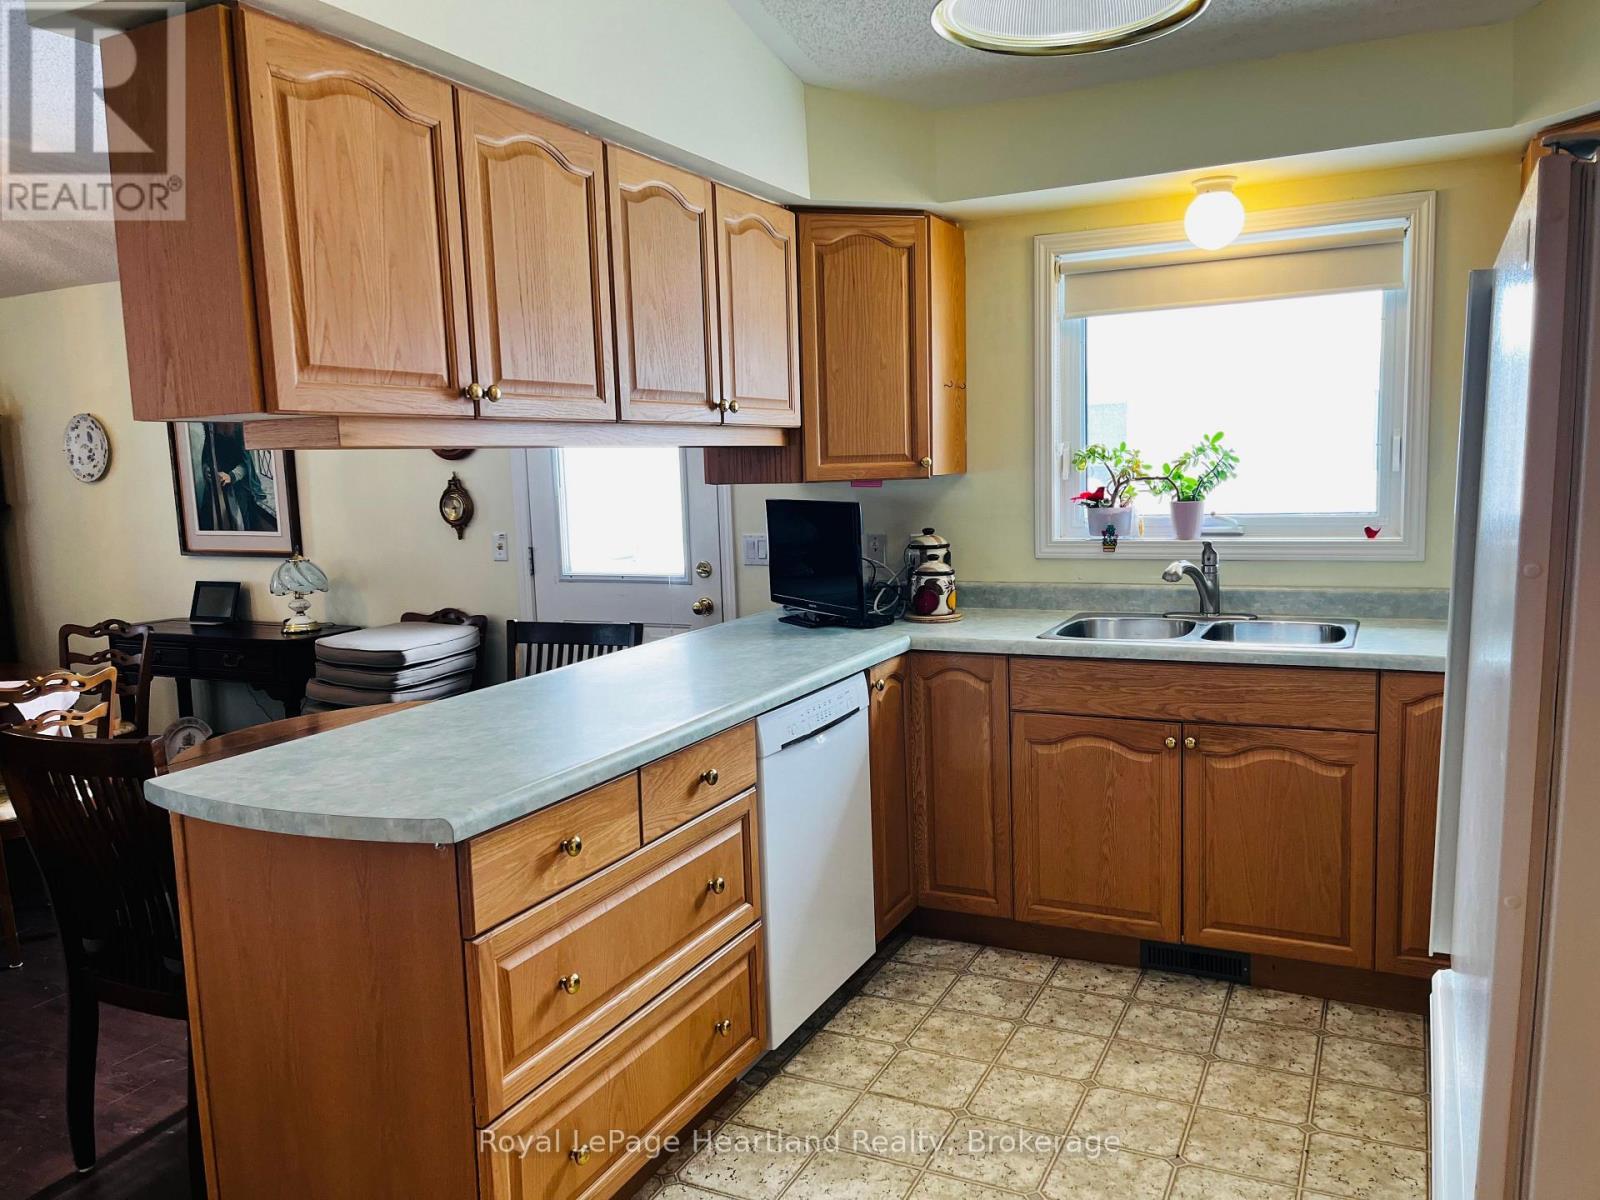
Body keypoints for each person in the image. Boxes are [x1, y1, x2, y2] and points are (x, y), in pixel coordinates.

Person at [189, 422, 277, 532]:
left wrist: (232, 476)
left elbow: (247, 464)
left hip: (237, 489)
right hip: (215, 488)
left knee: (239, 523)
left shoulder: (238, 427)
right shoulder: (209, 426)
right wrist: (207, 470)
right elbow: (207, 457)